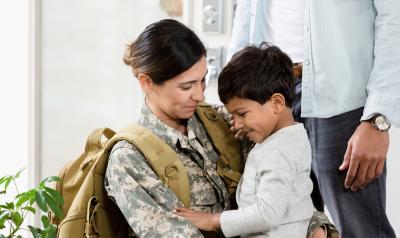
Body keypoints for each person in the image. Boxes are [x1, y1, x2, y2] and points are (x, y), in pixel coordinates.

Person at [104, 19, 333, 238]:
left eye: (203, 80)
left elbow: (285, 185)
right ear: (147, 83)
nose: (200, 95)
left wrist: (316, 228)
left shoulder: (227, 121)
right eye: (186, 86)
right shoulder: (130, 159)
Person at [228, 0, 399, 237]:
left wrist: (378, 118)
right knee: (286, 227)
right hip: (266, 94)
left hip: (341, 98)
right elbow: (247, 10)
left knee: (361, 229)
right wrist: (237, 91)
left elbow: (394, 19)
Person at [175, 43, 314, 238]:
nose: (237, 124)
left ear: (277, 103)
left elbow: (268, 213)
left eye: (241, 113)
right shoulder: (290, 139)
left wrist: (215, 220)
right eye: (233, 116)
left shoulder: (278, 152)